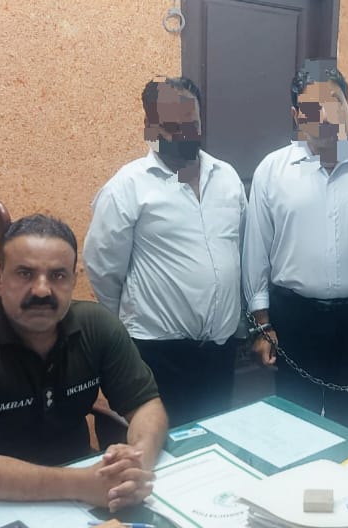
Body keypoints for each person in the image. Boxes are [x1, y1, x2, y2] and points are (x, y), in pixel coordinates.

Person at [0, 214, 168, 510]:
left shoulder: (99, 327)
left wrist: (137, 464)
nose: (41, 290)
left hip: (72, 486)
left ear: (73, 280)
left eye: (58, 275)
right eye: (25, 273)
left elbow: (146, 405)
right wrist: (81, 484)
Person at [243, 59, 348, 433]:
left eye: (334, 101)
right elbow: (256, 253)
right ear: (296, 116)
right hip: (294, 317)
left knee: (347, 421)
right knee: (293, 423)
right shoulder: (273, 171)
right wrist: (262, 325)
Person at [84, 76, 247, 428]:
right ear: (150, 126)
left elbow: (238, 249)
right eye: (173, 125)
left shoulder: (227, 178)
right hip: (156, 353)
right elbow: (102, 266)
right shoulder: (128, 186)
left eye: (193, 122)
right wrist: (130, 320)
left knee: (215, 439)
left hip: (220, 350)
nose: (186, 133)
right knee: (161, 445)